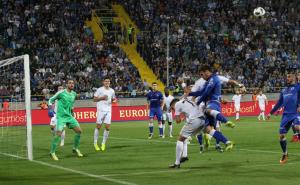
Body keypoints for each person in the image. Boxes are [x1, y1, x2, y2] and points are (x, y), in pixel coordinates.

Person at [169, 97, 233, 168]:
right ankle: (226, 141)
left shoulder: (177, 104)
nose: (173, 110)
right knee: (209, 130)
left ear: (173, 104)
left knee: (180, 139)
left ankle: (177, 163)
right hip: (202, 118)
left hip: (194, 119)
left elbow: (178, 121)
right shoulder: (188, 99)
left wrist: (178, 117)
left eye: (172, 108)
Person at [267, 73, 300, 164]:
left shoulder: (298, 87)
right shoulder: (284, 90)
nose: (287, 78)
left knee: (297, 127)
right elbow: (279, 103)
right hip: (286, 115)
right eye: (287, 77)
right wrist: (270, 113)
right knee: (281, 136)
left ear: (294, 78)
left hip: (295, 113)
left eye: (289, 77)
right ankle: (285, 154)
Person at [48, 80, 83, 160]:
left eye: (73, 83)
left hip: (69, 116)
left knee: (79, 131)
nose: (71, 84)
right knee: (59, 133)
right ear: (67, 84)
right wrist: (50, 109)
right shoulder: (61, 93)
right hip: (61, 117)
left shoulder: (73, 94)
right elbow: (51, 99)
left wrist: (72, 112)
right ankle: (52, 152)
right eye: (70, 83)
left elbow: (71, 103)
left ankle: (75, 148)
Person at [93, 77, 116, 151]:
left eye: (108, 81)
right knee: (98, 127)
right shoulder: (99, 90)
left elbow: (113, 99)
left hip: (109, 110)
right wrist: (102, 98)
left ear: (110, 82)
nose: (107, 82)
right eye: (106, 81)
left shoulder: (112, 91)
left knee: (107, 127)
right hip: (100, 110)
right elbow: (94, 99)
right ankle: (95, 143)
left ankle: (103, 143)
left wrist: (114, 100)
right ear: (103, 82)